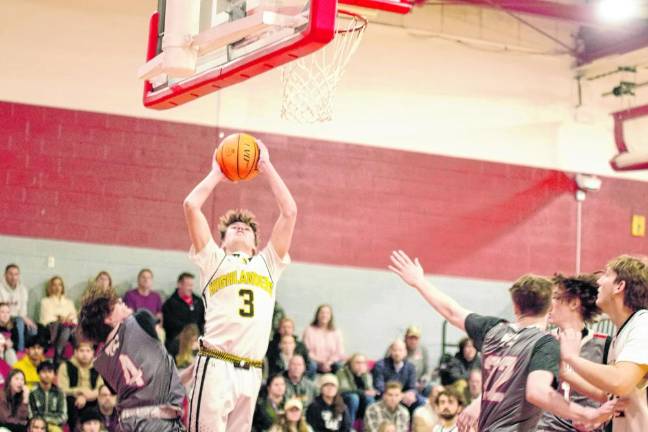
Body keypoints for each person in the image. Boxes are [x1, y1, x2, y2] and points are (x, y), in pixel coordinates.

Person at [388, 250, 616, 431]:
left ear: (515, 306)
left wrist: (419, 282)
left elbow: (452, 311)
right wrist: (589, 412)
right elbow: (538, 391)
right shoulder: (545, 343)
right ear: (549, 307)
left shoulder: (493, 329)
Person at [183, 138, 297, 431]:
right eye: (234, 228)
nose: (240, 228)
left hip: (252, 371)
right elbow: (191, 205)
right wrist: (217, 173)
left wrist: (266, 165)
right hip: (216, 365)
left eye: (247, 229)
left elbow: (290, 212)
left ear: (257, 245)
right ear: (221, 241)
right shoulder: (214, 260)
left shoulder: (268, 264)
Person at [78, 285, 185, 431]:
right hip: (157, 422)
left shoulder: (100, 362)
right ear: (108, 318)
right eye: (116, 303)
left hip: (127, 423)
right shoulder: (141, 319)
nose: (122, 301)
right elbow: (163, 368)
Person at [559, 255, 648, 432]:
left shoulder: (643, 325)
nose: (599, 281)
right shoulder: (624, 330)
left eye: (606, 275)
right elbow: (610, 394)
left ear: (619, 286)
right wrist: (565, 373)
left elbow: (619, 381)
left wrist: (572, 357)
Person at [537, 273, 612, 432]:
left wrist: (601, 417)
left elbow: (614, 396)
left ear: (574, 303)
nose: (550, 303)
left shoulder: (605, 343)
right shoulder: (543, 341)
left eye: (556, 297)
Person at [57, 340, 103, 430]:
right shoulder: (65, 366)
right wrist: (79, 392)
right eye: (82, 351)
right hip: (73, 400)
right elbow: (62, 389)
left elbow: (100, 389)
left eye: (88, 351)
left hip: (92, 398)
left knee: (104, 398)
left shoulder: (98, 367)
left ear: (93, 353)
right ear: (75, 352)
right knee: (70, 400)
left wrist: (85, 397)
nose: (85, 354)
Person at [372, 340, 423, 412]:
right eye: (395, 350)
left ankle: (413, 422)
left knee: (421, 401)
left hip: (405, 397)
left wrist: (411, 393)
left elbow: (412, 387)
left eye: (400, 350)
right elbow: (379, 386)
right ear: (390, 351)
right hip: (386, 395)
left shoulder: (410, 367)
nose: (397, 353)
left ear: (405, 352)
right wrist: (397, 395)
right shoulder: (380, 365)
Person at [162, 273, 205, 355]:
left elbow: (204, 321)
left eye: (192, 285)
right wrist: (188, 335)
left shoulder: (199, 302)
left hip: (197, 339)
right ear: (179, 285)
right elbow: (169, 326)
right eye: (188, 285)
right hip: (178, 340)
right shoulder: (169, 304)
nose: (191, 288)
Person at [39, 276, 77, 364]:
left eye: (59, 285)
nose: (57, 287)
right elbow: (45, 318)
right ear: (50, 287)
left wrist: (67, 320)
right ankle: (59, 356)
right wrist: (60, 319)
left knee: (70, 329)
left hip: (70, 328)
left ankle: (59, 356)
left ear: (62, 287)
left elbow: (74, 318)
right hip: (53, 329)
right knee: (66, 329)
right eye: (54, 285)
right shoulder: (45, 301)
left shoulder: (69, 302)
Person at [1, 264, 37, 352]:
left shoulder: (23, 289)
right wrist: (21, 318)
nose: (13, 277)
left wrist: (25, 318)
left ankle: (25, 349)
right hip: (3, 317)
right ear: (5, 274)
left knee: (33, 330)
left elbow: (23, 310)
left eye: (16, 274)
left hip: (18, 316)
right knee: (20, 322)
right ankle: (20, 351)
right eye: (10, 274)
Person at [302, 305, 345, 374]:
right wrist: (322, 362)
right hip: (315, 362)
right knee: (311, 365)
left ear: (331, 316)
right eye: (322, 312)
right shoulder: (309, 330)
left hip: (331, 363)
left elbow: (339, 352)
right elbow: (307, 352)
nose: (324, 315)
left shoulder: (336, 332)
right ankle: (309, 384)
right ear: (317, 315)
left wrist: (328, 362)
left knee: (339, 365)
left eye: (327, 313)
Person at [336, 353, 376, 426]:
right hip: (347, 401)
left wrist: (373, 392)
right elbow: (344, 390)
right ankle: (349, 427)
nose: (360, 365)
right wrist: (363, 392)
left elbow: (369, 390)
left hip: (362, 403)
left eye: (363, 363)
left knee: (370, 399)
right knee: (354, 398)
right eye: (357, 362)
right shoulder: (342, 372)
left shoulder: (367, 375)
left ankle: (368, 427)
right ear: (351, 363)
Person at [28, 360, 67, 432]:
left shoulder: (59, 393)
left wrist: (46, 420)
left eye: (50, 372)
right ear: (38, 374)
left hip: (54, 426)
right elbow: (30, 414)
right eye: (44, 372)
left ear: (54, 374)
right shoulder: (33, 392)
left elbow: (63, 416)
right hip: (36, 426)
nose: (47, 374)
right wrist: (41, 424)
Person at [403, 326, 431, 395]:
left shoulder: (423, 349)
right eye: (411, 338)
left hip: (419, 382)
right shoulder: (399, 348)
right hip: (403, 383)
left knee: (431, 388)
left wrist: (423, 381)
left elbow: (427, 371)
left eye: (416, 339)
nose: (413, 341)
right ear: (405, 338)